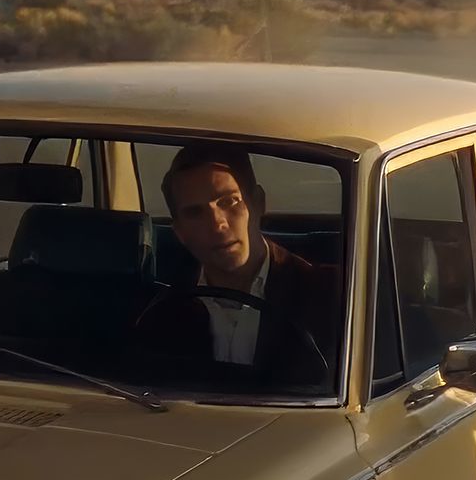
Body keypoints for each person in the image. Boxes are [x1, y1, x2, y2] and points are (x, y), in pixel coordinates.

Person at [141, 142, 338, 388]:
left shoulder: (332, 296)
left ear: (257, 203)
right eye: (195, 212)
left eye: (228, 202)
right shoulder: (163, 314)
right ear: (180, 232)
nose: (217, 225)